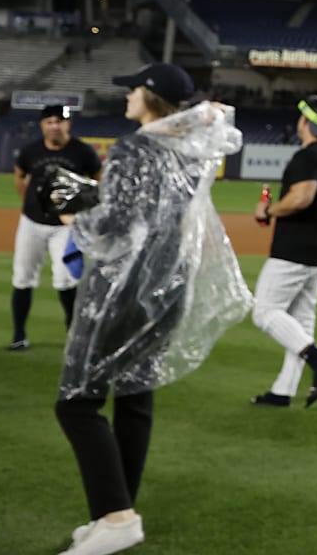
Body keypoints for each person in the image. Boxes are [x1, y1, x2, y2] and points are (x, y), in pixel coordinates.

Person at [55, 63, 250, 555]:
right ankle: (120, 511)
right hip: (169, 287)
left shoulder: (134, 147)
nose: (126, 98)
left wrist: (73, 208)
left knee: (77, 403)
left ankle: (116, 517)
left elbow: (117, 227)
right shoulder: (189, 150)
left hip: (125, 289)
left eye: (133, 90)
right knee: (135, 396)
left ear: (151, 97)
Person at [249, 95, 317, 409]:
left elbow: (302, 197)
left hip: (295, 250)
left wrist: (268, 211)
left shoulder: (306, 158)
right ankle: (283, 391)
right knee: (301, 322)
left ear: (305, 122)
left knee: (264, 312)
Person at [10, 105, 104, 351]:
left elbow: (98, 181)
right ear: (42, 124)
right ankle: (19, 336)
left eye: (60, 121)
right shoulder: (31, 151)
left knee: (65, 280)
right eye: (50, 121)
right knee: (22, 277)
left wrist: (82, 211)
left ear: (68, 124)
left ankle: (74, 336)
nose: (55, 125)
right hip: (31, 223)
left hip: (65, 227)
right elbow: (19, 175)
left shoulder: (82, 151)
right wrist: (29, 202)